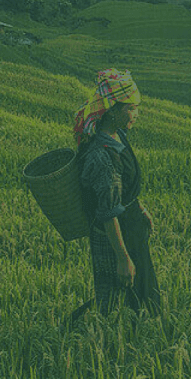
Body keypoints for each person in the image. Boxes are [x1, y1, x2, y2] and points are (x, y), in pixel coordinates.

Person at [68, 69, 161, 323]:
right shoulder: (102, 156)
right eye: (131, 109)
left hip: (131, 228)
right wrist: (122, 259)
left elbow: (124, 189)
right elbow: (108, 213)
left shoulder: (118, 136)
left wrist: (138, 207)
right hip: (114, 239)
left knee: (142, 297)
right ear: (112, 110)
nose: (136, 114)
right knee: (112, 304)